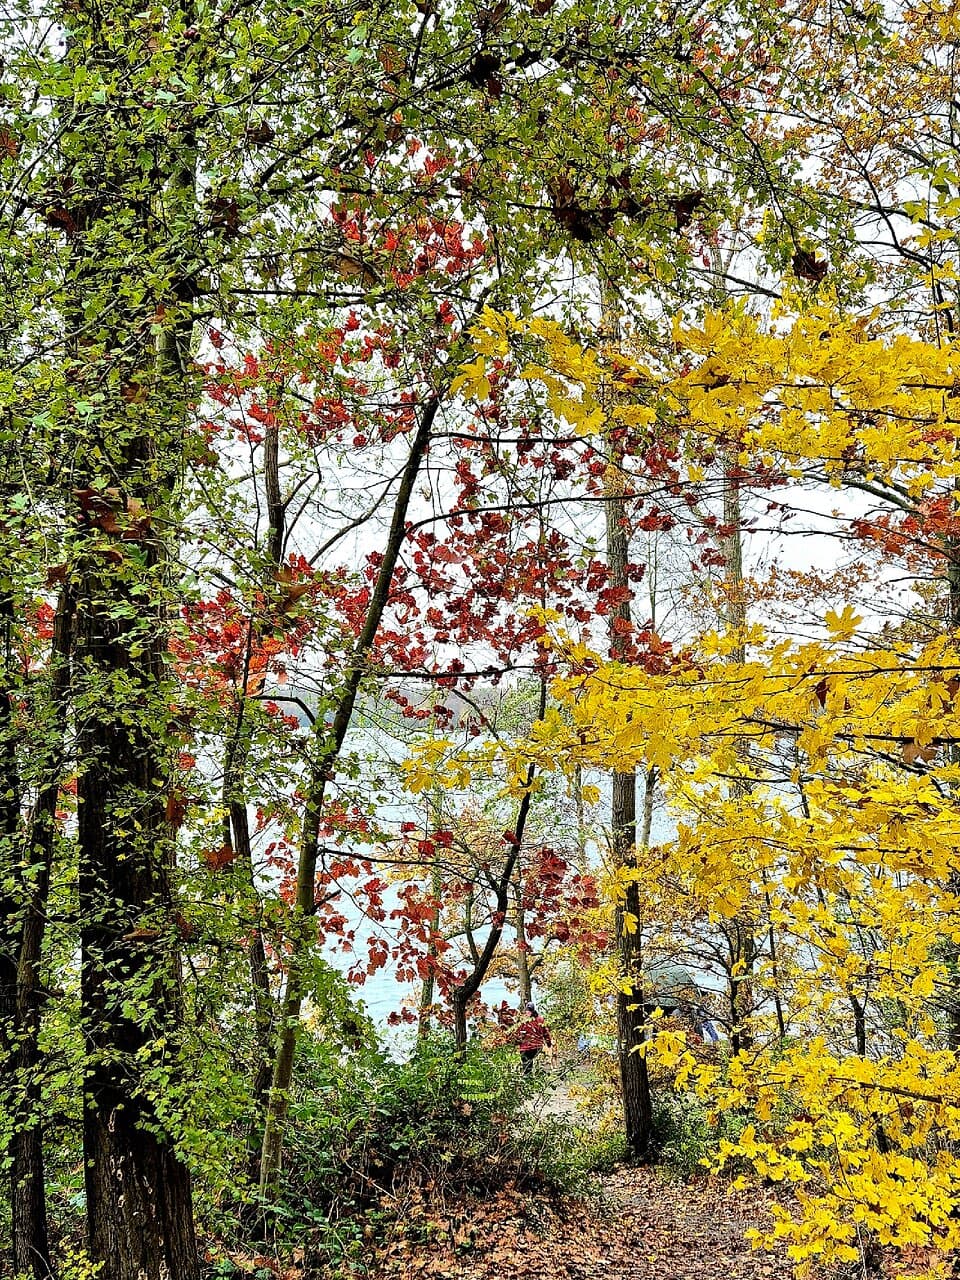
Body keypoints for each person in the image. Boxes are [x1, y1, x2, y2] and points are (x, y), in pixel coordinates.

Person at [516, 1001, 552, 1075]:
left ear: (532, 1011)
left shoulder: (526, 1021)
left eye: (529, 1011)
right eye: (527, 1011)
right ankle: (529, 1076)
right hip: (534, 1046)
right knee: (528, 1062)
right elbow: (545, 1032)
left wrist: (549, 1043)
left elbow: (545, 1032)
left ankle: (527, 1078)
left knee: (527, 1063)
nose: (528, 1013)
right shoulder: (539, 1019)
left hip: (531, 1047)